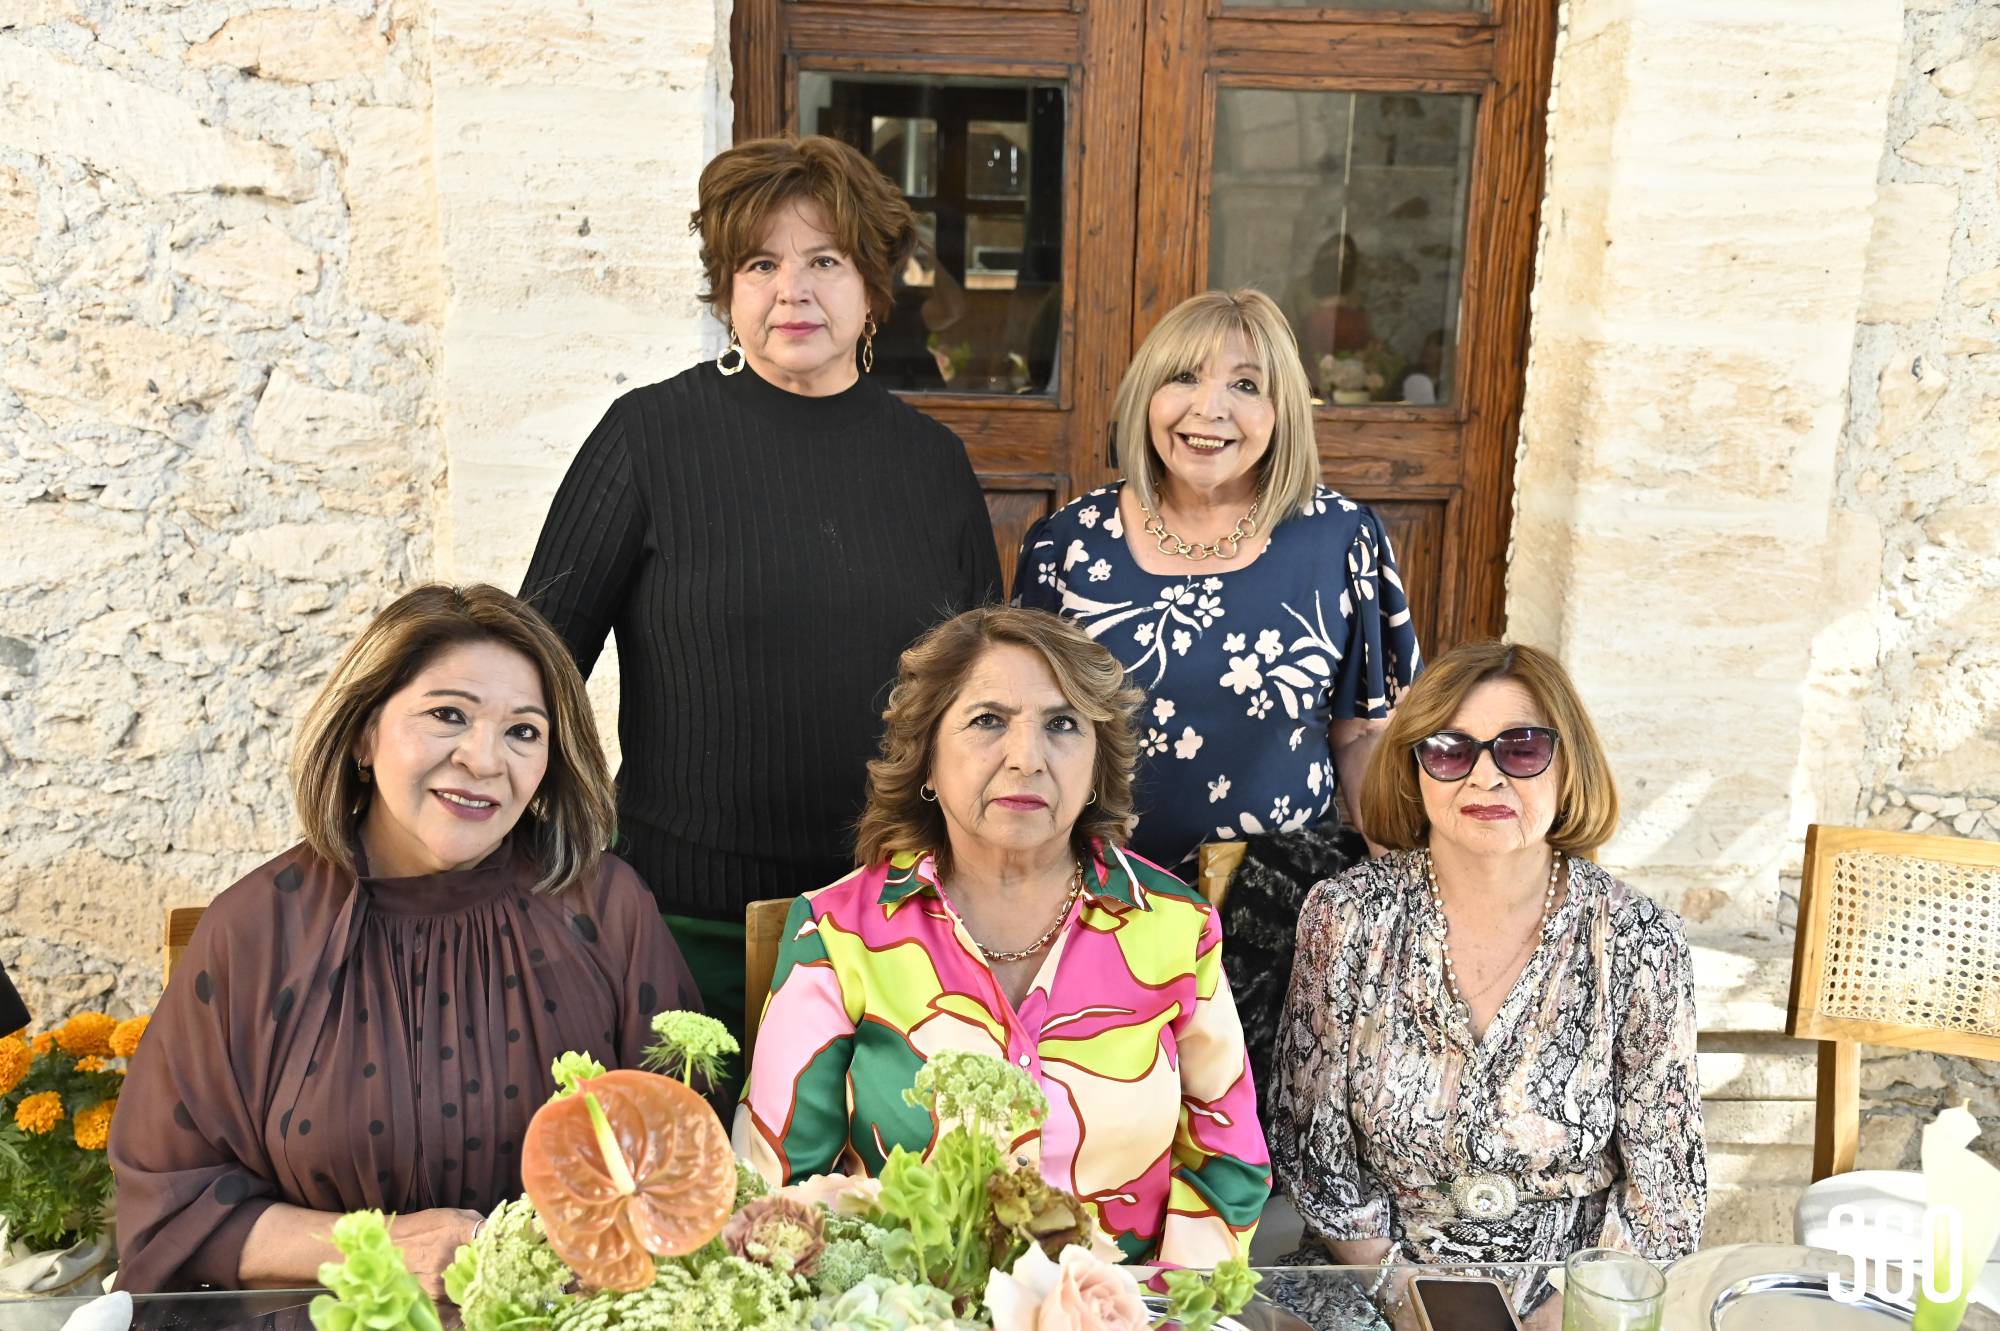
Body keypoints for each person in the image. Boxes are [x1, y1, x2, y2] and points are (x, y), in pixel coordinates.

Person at [522, 135, 1002, 1048]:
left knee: (859, 1195)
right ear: (726, 289)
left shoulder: (931, 466)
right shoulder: (648, 438)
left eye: (825, 260)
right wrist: (551, 855)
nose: (794, 289)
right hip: (677, 931)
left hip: (885, 935)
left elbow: (983, 699)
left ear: (869, 286)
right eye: (761, 262)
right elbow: (533, 664)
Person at [110, 585, 700, 1293]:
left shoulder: (606, 906)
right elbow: (174, 1207)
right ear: (364, 732)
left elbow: (686, 1171)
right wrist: (382, 1247)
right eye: (447, 714)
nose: (484, 760)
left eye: (523, 730)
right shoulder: (255, 931)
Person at [734, 607, 1269, 1266]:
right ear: (927, 755)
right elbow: (773, 1197)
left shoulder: (1174, 926)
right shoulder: (836, 932)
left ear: (1099, 762)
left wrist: (1146, 1309)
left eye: (1062, 724)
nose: (1026, 757)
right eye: (988, 720)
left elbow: (1230, 1162)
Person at [1012, 288, 1420, 1121]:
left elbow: (1368, 738)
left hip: (1284, 908)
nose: (1210, 409)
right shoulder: (1067, 545)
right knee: (1109, 1134)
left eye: (1246, 385)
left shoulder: (1339, 539)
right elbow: (1020, 733)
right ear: (1144, 396)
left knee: (1266, 1146)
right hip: (1102, 905)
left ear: (1282, 411)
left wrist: (1410, 895)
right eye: (1185, 379)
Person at [1267, 641, 1705, 1321]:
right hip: (1377, 1280)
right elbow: (1311, 1148)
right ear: (1415, 770)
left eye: (1522, 748)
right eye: (1449, 750)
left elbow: (1665, 1188)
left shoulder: (1640, 939)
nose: (1485, 777)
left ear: (1570, 767)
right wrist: (1401, 1296)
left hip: (1571, 1289)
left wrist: (1561, 1315)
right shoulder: (1346, 915)